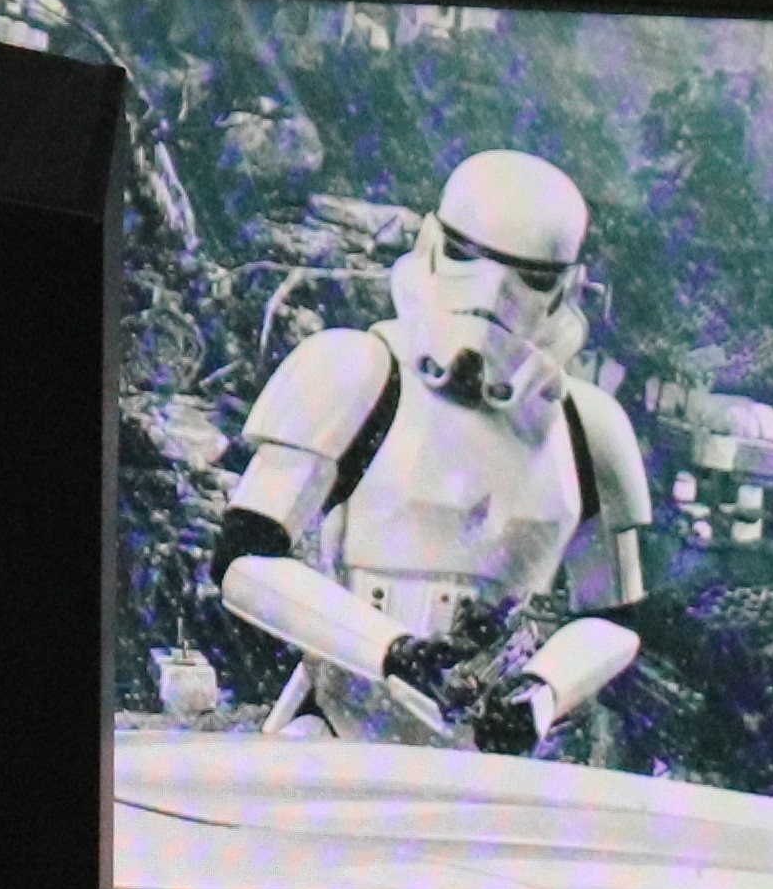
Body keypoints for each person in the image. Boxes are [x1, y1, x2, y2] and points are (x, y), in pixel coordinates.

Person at [210, 147, 655, 753]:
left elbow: (614, 616)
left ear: (567, 288)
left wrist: (541, 691)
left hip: (488, 755)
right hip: (341, 730)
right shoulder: (357, 370)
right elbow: (244, 560)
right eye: (467, 256)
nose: (491, 295)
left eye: (530, 277)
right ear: (431, 244)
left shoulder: (587, 426)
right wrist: (392, 652)